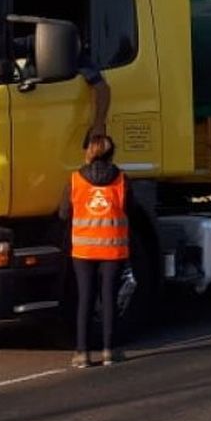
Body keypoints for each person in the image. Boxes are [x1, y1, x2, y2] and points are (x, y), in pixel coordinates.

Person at [59, 135, 130, 367]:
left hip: (84, 250)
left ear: (89, 152)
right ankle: (110, 351)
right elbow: (132, 208)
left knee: (85, 298)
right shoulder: (121, 180)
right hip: (112, 248)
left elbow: (63, 213)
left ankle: (82, 353)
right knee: (109, 298)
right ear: (112, 154)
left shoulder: (75, 180)